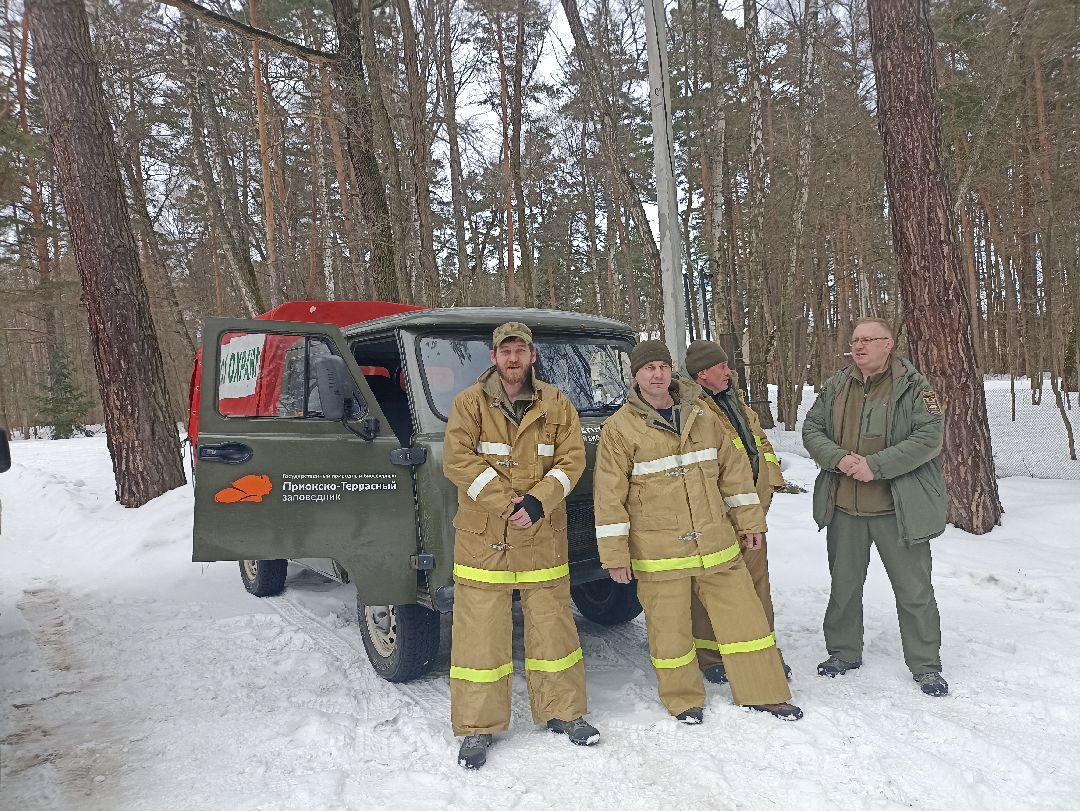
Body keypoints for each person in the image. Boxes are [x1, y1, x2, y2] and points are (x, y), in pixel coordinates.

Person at [593, 340, 802, 723]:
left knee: (747, 621)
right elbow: (609, 497)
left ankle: (765, 692)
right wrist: (615, 556)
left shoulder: (701, 416)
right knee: (669, 631)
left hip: (716, 542)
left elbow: (734, 474)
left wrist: (750, 522)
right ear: (635, 376)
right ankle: (683, 699)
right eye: (648, 368)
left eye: (662, 366)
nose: (656, 374)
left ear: (671, 370)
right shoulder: (619, 428)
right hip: (659, 552)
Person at [442, 321, 599, 769]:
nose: (513, 358)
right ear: (493, 357)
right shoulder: (468, 403)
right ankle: (476, 728)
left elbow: (573, 460)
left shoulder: (557, 403)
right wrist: (504, 501)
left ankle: (564, 713)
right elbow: (457, 459)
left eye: (521, 350)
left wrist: (538, 501)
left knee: (555, 632)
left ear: (533, 355)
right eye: (505, 351)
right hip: (484, 541)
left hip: (541, 538)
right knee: (479, 640)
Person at [802, 317, 949, 697]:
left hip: (897, 511)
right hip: (845, 509)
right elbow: (812, 428)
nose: (859, 346)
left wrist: (875, 466)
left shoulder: (914, 387)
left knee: (914, 591)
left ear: (889, 344)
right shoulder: (838, 384)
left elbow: (929, 437)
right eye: (855, 340)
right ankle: (843, 652)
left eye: (869, 339)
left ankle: (925, 665)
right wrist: (837, 458)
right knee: (844, 587)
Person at [682, 340, 790, 685]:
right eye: (722, 367)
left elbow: (761, 445)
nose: (729, 371)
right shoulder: (690, 409)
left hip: (752, 510)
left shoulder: (735, 401)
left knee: (757, 587)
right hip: (716, 516)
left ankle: (763, 655)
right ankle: (710, 656)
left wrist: (767, 488)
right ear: (703, 374)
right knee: (710, 588)